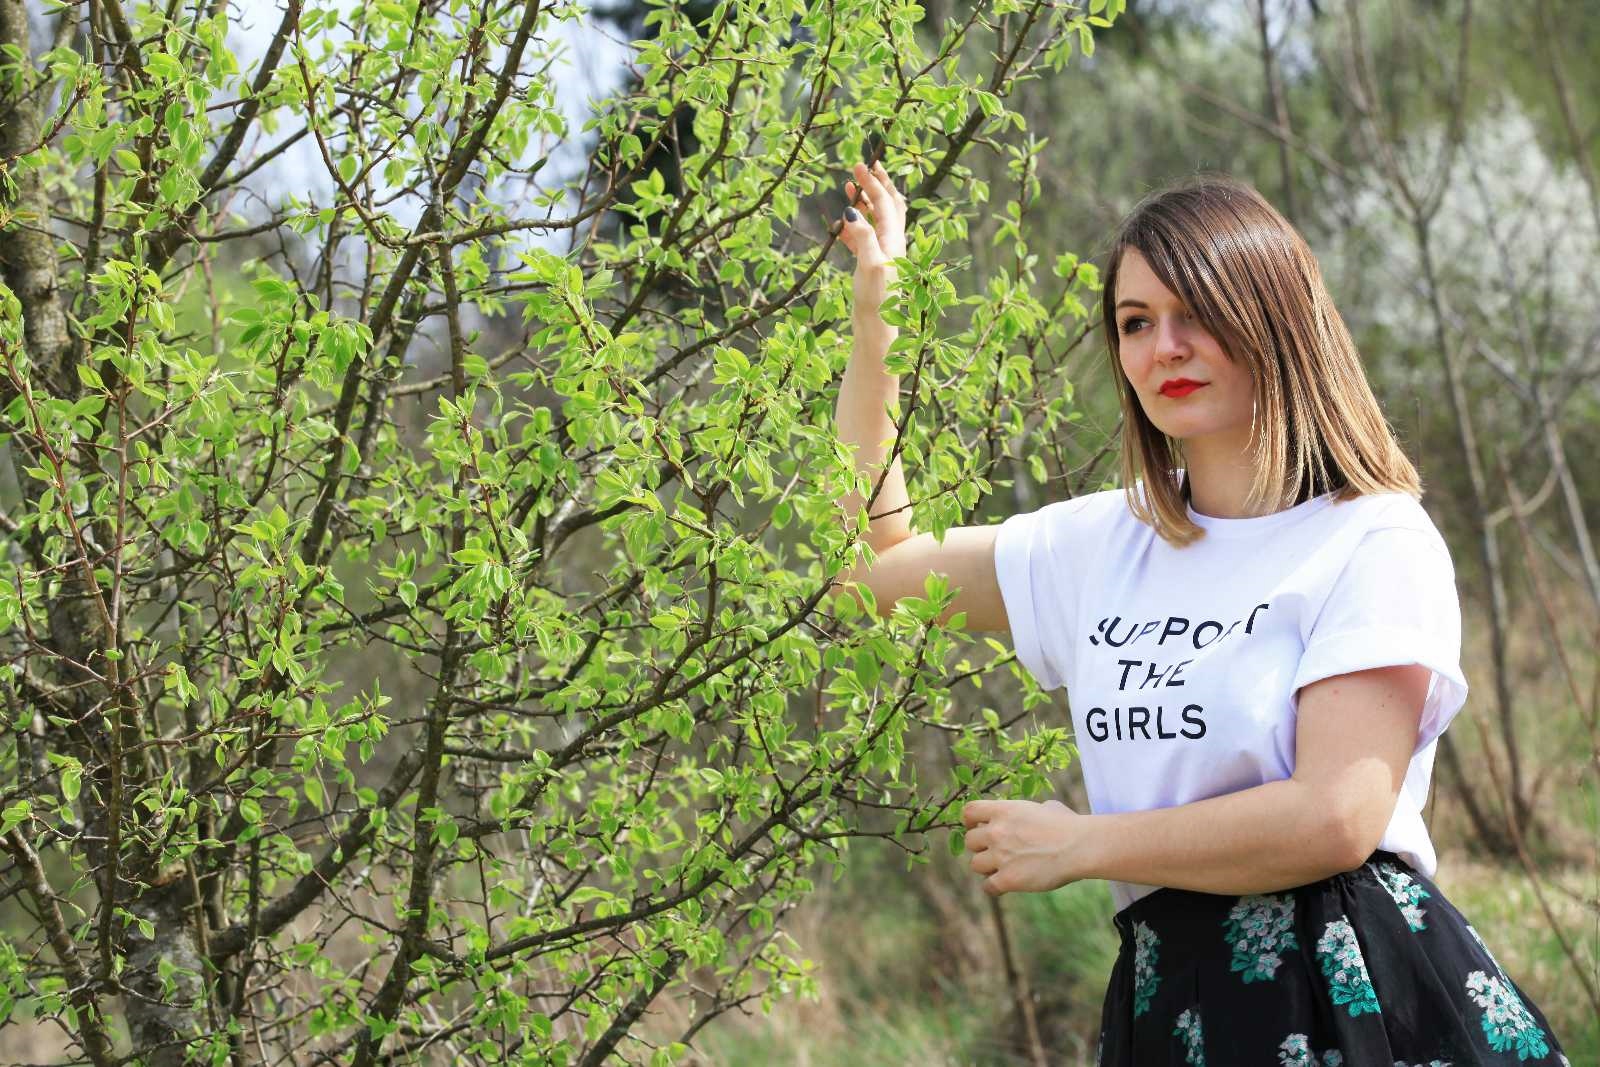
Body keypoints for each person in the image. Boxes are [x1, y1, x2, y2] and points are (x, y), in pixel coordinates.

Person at [829, 164, 1569, 1065]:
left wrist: (1084, 845)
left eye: (1196, 312)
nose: (1164, 348)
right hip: (1167, 997)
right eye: (1136, 322)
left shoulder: (1372, 535)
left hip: (1347, 994)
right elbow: (871, 571)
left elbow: (1335, 817)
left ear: (1273, 316)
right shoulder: (1102, 542)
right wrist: (877, 318)